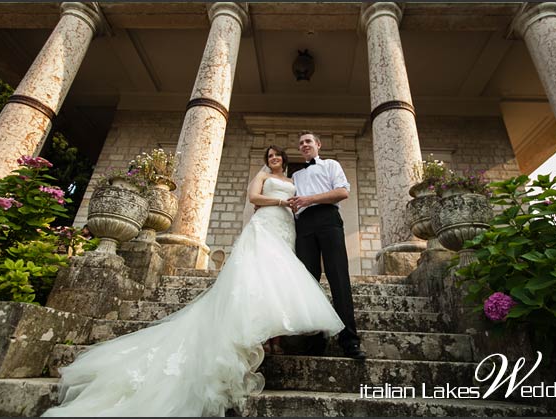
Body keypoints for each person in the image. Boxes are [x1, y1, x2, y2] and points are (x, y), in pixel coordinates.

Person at [42, 145, 344, 417]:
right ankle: (259, 336)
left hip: (287, 228)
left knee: (277, 279)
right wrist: (279, 204)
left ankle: (275, 338)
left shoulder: (296, 180)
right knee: (256, 275)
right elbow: (253, 198)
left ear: (284, 159)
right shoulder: (263, 176)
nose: (273, 159)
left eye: (277, 156)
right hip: (266, 223)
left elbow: (305, 200)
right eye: (269, 157)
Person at [288, 131, 366, 360]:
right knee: (308, 283)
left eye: (308, 141)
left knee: (338, 278)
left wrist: (310, 199)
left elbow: (343, 192)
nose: (304, 145)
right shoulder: (295, 176)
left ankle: (350, 341)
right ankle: (314, 340)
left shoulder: (331, 165)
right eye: (300, 142)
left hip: (328, 219)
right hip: (303, 226)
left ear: (318, 145)